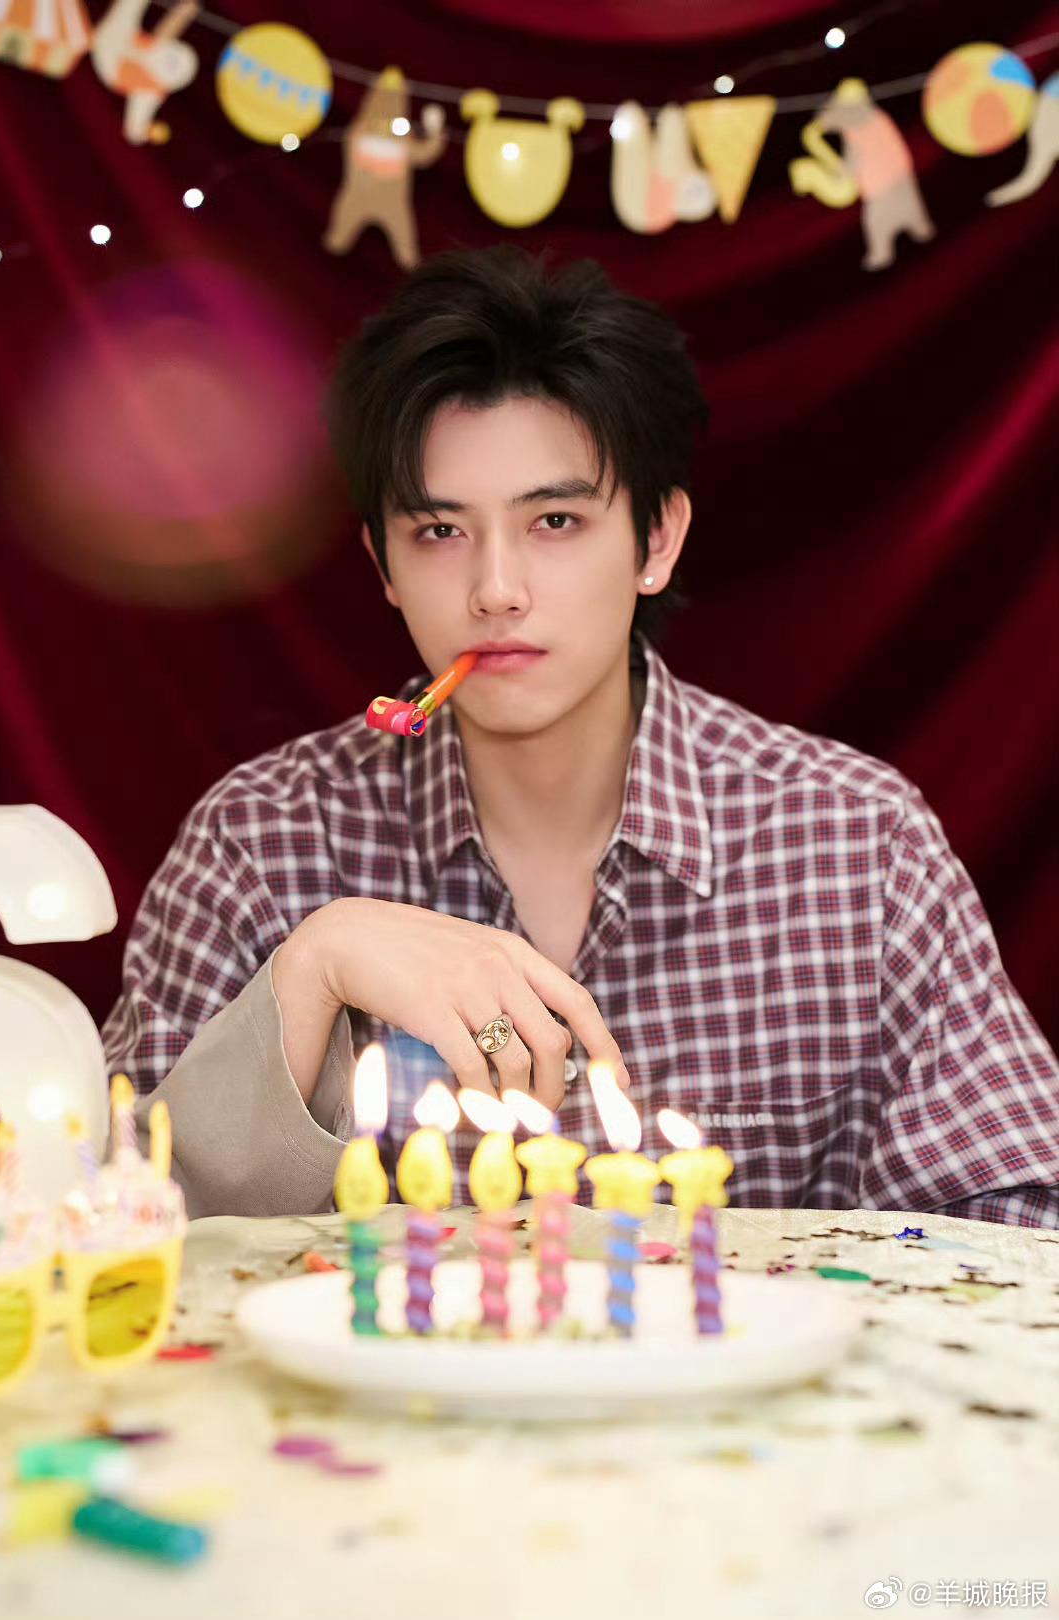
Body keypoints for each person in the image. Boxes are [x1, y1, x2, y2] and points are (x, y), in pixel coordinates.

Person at [102, 246, 1059, 1224]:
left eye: (555, 520)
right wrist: (312, 970)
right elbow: (107, 1229)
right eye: (440, 531)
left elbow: (1021, 1226)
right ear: (382, 565)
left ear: (656, 539)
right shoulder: (258, 842)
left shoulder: (858, 843)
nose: (495, 590)